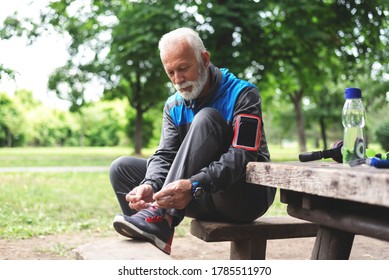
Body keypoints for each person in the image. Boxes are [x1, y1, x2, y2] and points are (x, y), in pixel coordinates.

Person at [109, 27, 276, 255]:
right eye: (170, 72)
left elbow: (242, 155)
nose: (178, 80)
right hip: (199, 196)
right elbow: (165, 155)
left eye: (184, 68)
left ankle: (161, 217)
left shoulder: (243, 94)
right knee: (122, 169)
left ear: (204, 59)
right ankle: (151, 246)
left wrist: (194, 185)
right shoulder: (174, 105)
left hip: (244, 197)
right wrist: (150, 184)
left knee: (206, 118)